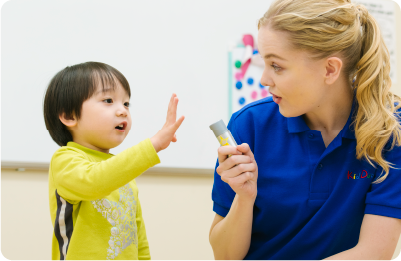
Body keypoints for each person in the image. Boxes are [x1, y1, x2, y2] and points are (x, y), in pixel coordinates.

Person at [209, 0, 401, 260]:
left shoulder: (390, 128)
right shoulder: (249, 124)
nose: (264, 79)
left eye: (276, 66)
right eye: (263, 63)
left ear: (330, 69)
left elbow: (373, 253)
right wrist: (244, 198)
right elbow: (225, 256)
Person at [43, 62, 184, 261]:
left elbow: (138, 239)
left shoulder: (123, 172)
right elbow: (95, 181)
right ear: (69, 115)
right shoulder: (65, 160)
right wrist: (154, 145)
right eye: (108, 100)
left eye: (126, 104)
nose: (123, 111)